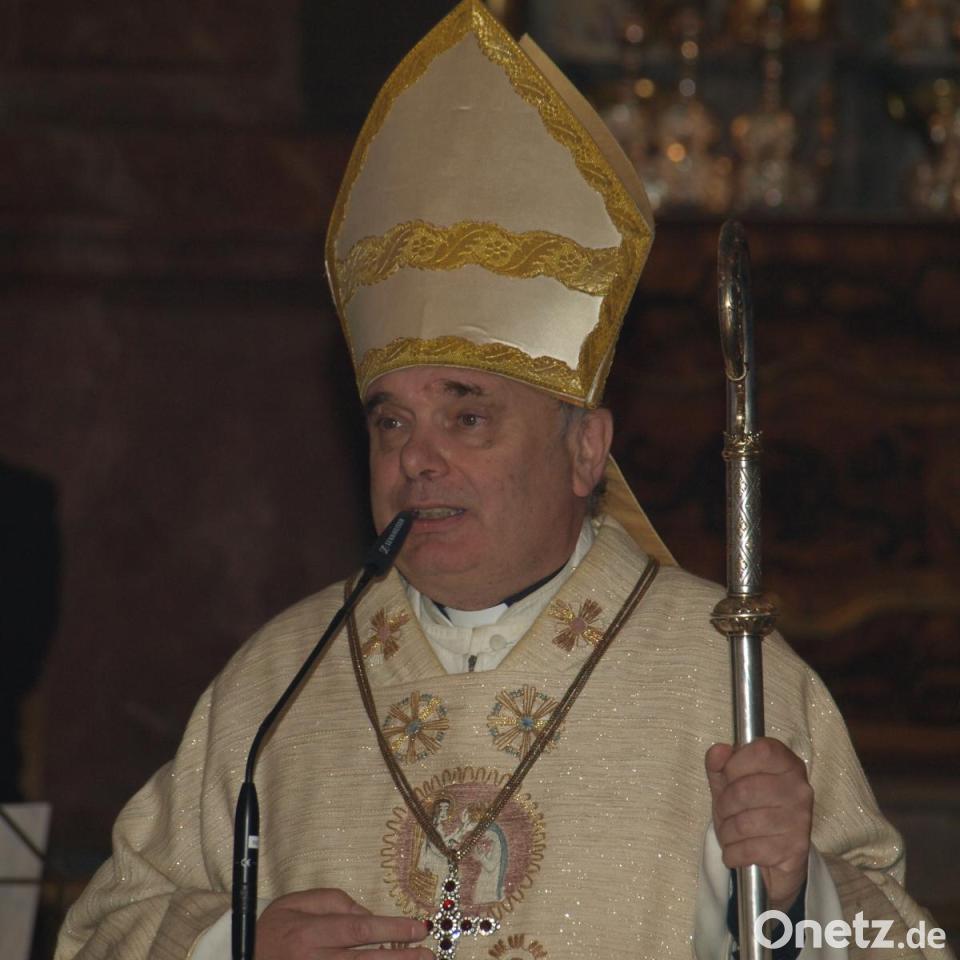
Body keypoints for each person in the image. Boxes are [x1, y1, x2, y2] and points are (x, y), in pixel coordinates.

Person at [55, 3, 952, 960]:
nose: (416, 458)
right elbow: (102, 930)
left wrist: (792, 895)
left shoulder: (731, 679)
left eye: (467, 416)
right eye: (391, 422)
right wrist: (235, 946)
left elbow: (895, 939)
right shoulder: (280, 685)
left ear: (585, 451)